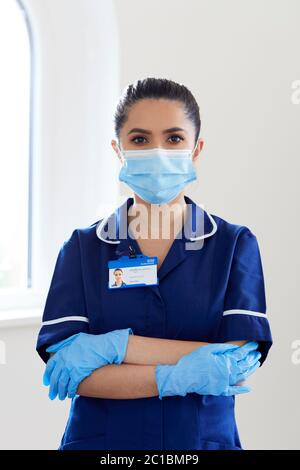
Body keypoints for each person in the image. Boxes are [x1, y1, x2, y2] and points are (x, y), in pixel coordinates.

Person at [36, 77, 273, 450]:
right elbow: (72, 374)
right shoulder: (83, 249)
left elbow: (235, 361)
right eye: (140, 139)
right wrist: (181, 372)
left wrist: (112, 348)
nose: (158, 151)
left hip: (199, 443)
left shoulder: (233, 244)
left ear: (196, 149)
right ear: (119, 150)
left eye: (174, 138)